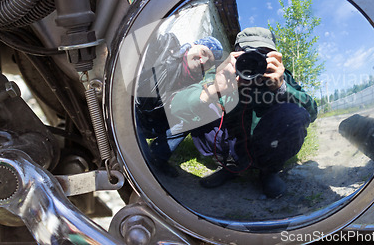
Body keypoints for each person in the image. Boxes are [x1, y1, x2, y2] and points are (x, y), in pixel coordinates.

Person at [169, 27, 317, 198]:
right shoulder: (222, 73)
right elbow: (177, 107)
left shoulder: (282, 76)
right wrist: (214, 91)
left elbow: (311, 111)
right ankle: (230, 167)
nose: (255, 61)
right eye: (247, 54)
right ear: (236, 54)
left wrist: (282, 88)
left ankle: (269, 172)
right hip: (230, 143)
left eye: (263, 54)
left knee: (295, 114)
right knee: (200, 108)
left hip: (267, 143)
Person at [135, 32, 223, 177]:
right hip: (133, 112)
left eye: (208, 62)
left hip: (155, 121)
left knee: (193, 117)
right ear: (194, 44)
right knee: (139, 163)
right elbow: (148, 38)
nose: (202, 61)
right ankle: (138, 151)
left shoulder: (197, 83)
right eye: (203, 52)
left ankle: (158, 156)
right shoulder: (166, 49)